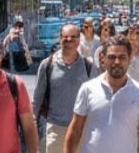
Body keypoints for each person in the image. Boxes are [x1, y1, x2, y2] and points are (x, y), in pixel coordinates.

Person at [64, 36, 139, 153]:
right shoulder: (88, 89)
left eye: (122, 57)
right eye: (112, 57)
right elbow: (75, 129)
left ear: (130, 59)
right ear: (103, 58)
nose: (117, 62)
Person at [33, 23, 95, 153]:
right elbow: (38, 97)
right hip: (55, 129)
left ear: (79, 40)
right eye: (65, 37)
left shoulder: (88, 66)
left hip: (81, 130)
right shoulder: (47, 65)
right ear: (59, 38)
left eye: (73, 37)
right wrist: (33, 121)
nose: (69, 40)